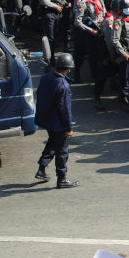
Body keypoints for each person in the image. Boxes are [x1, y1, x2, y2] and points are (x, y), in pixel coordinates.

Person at [33, 53, 79, 189]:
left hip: (47, 120)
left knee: (52, 144)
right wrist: (69, 128)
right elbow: (65, 109)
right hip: (58, 123)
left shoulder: (46, 78)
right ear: (69, 68)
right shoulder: (63, 85)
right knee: (62, 151)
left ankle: (42, 168)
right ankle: (62, 178)